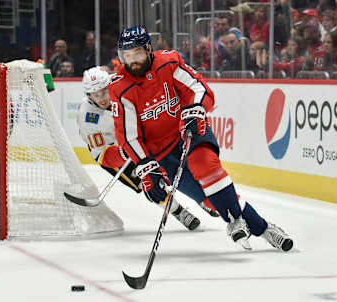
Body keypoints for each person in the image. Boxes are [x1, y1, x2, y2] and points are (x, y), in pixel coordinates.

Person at [109, 26, 294, 252]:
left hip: (188, 130)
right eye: (126, 56)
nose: (132, 61)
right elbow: (128, 135)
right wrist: (146, 167)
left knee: (207, 169)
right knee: (210, 201)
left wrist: (195, 108)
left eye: (136, 53)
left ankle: (255, 227)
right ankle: (258, 225)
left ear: (148, 49)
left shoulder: (169, 62)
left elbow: (198, 87)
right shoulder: (119, 87)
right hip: (163, 154)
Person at [77, 66, 219, 231]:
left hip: (139, 140)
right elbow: (103, 155)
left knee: (173, 169)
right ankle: (177, 210)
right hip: (116, 155)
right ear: (88, 95)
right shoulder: (88, 117)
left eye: (104, 91)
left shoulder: (122, 89)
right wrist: (125, 151)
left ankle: (201, 199)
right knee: (151, 184)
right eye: (96, 95)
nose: (101, 98)